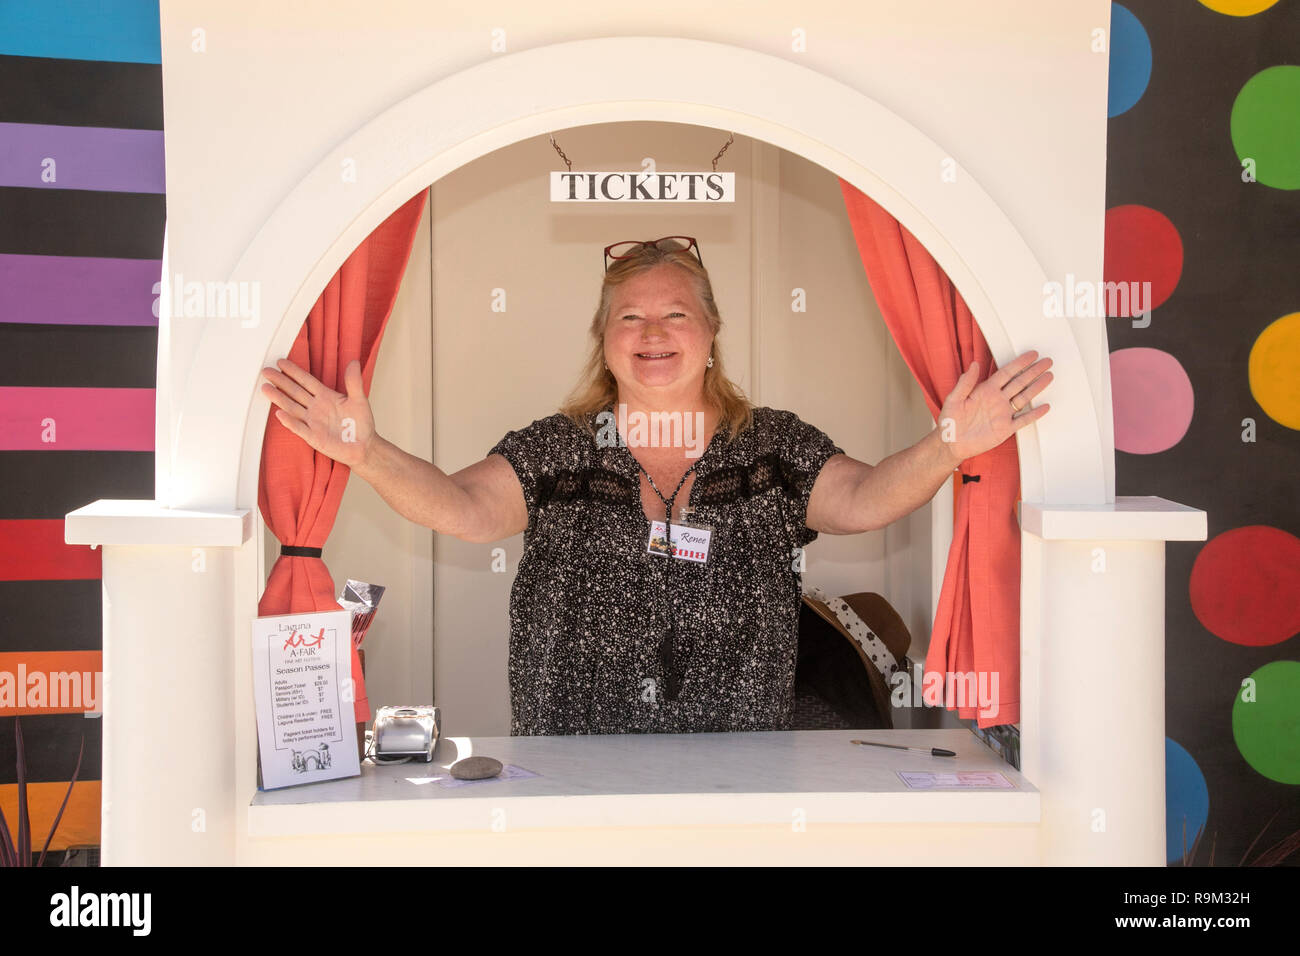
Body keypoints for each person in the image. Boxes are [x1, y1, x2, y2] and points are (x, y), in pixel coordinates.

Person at [260, 236, 1051, 736]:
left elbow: (865, 497)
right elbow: (464, 510)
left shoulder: (770, 444)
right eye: (629, 318)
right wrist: (365, 452)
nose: (652, 333)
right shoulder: (559, 448)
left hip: (740, 772)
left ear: (710, 336)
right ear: (605, 343)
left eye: (675, 314)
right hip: (578, 774)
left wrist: (954, 444)